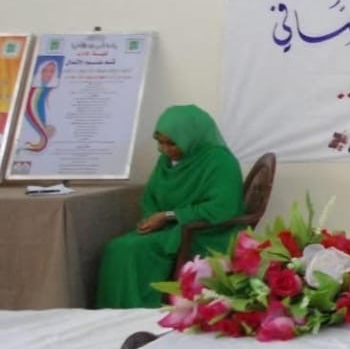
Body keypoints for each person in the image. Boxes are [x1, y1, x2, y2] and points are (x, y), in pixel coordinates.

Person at [96, 104, 245, 308]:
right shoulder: (166, 160)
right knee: (116, 248)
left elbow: (222, 208)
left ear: (191, 137)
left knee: (129, 250)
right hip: (171, 228)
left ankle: (137, 311)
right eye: (160, 142)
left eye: (172, 144)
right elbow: (151, 196)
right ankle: (115, 313)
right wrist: (151, 218)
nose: (165, 149)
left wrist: (168, 216)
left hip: (204, 232)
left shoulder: (221, 162)